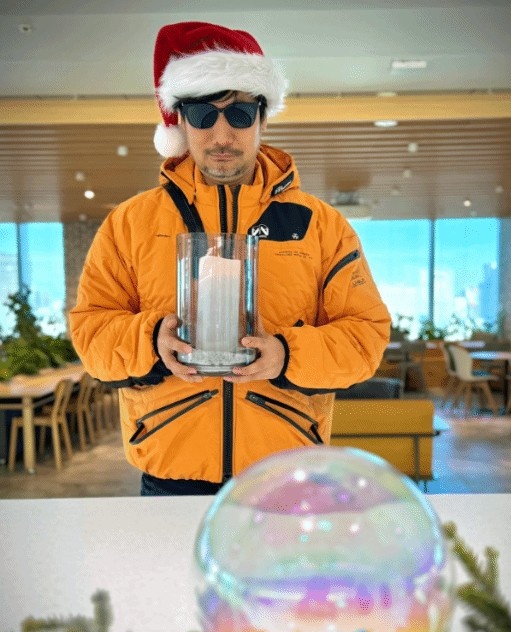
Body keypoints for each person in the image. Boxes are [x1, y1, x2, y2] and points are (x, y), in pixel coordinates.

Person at [69, 21, 391, 496]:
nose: (222, 134)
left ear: (262, 118)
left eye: (239, 113)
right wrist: (151, 341)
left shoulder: (321, 225)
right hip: (171, 473)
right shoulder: (129, 223)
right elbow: (90, 333)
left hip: (285, 475)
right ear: (180, 121)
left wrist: (287, 355)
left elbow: (366, 338)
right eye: (203, 114)